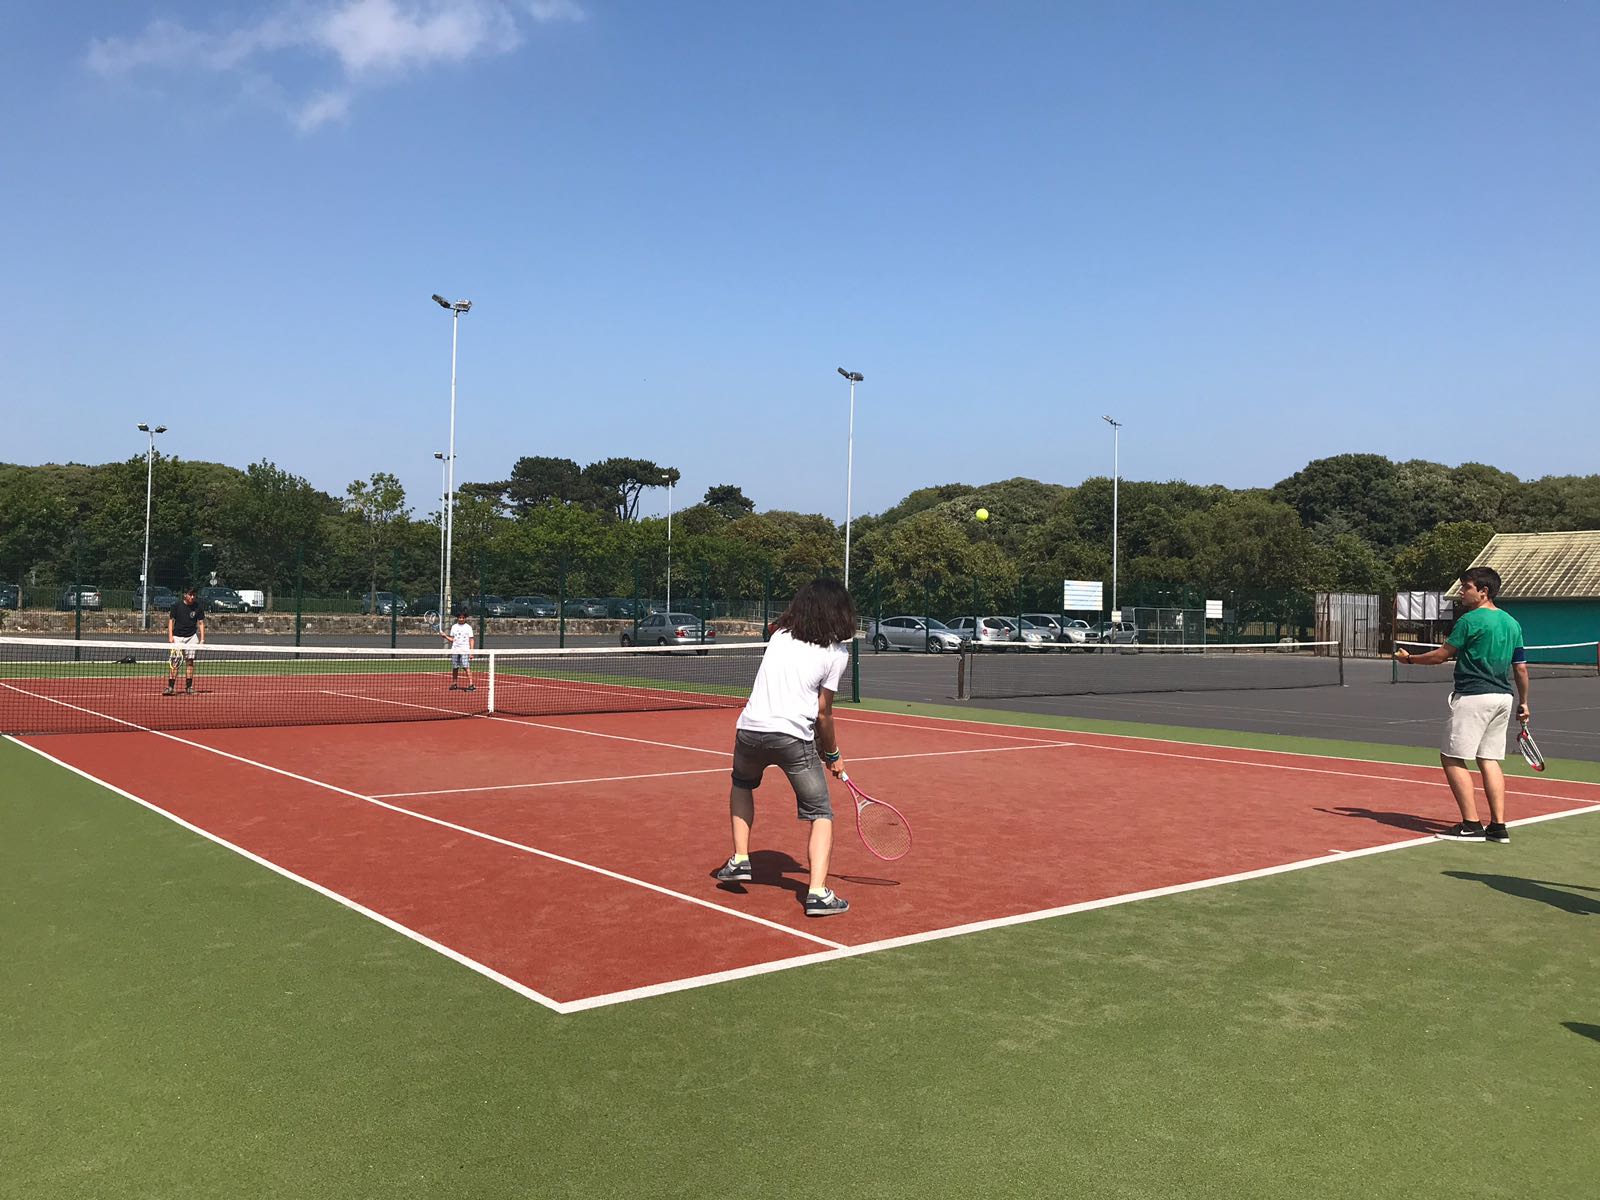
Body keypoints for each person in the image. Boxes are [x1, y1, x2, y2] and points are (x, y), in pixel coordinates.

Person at [714, 578, 856, 916]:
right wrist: (832, 753)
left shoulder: (779, 636)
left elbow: (811, 710)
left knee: (741, 784)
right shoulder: (836, 654)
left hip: (750, 732)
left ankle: (740, 859)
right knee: (820, 813)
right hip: (792, 738)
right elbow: (823, 712)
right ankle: (818, 893)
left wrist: (824, 746)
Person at [1395, 566, 1530, 843]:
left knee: (1452, 757)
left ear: (1483, 591)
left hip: (1474, 697)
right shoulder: (1512, 623)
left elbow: (1440, 657)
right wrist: (1524, 703)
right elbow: (1521, 669)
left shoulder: (1469, 621)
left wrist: (1409, 659)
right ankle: (1498, 827)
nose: (1461, 592)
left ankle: (1471, 824)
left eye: (1465, 587)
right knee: (1488, 759)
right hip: (1504, 698)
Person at [164, 585, 205, 696]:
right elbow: (171, 621)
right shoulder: (176, 606)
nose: (192, 597)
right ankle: (171, 687)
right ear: (185, 595)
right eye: (190, 595)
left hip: (191, 637)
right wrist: (171, 637)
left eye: (194, 595)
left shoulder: (198, 607)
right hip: (177, 637)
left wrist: (202, 639)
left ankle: (189, 687)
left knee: (190, 662)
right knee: (175, 663)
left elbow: (201, 623)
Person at [442, 610, 476, 691]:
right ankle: (454, 684)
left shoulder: (468, 627)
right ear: (457, 618)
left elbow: (471, 640)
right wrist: (445, 636)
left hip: (465, 650)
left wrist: (471, 652)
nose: (461, 619)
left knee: (466, 667)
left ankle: (471, 685)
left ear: (465, 618)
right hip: (455, 650)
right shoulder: (454, 627)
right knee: (455, 667)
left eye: (463, 618)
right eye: (460, 617)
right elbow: (453, 639)